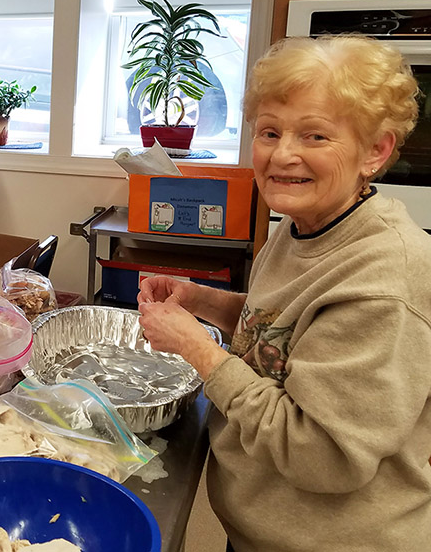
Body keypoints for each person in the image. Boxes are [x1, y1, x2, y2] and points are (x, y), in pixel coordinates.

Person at [138, 36, 431, 552]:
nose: (283, 154)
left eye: (316, 136)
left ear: (376, 151)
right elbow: (281, 331)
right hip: (261, 530)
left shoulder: (385, 285)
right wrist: (202, 299)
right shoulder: (305, 222)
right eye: (269, 132)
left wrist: (198, 349)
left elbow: (319, 453)